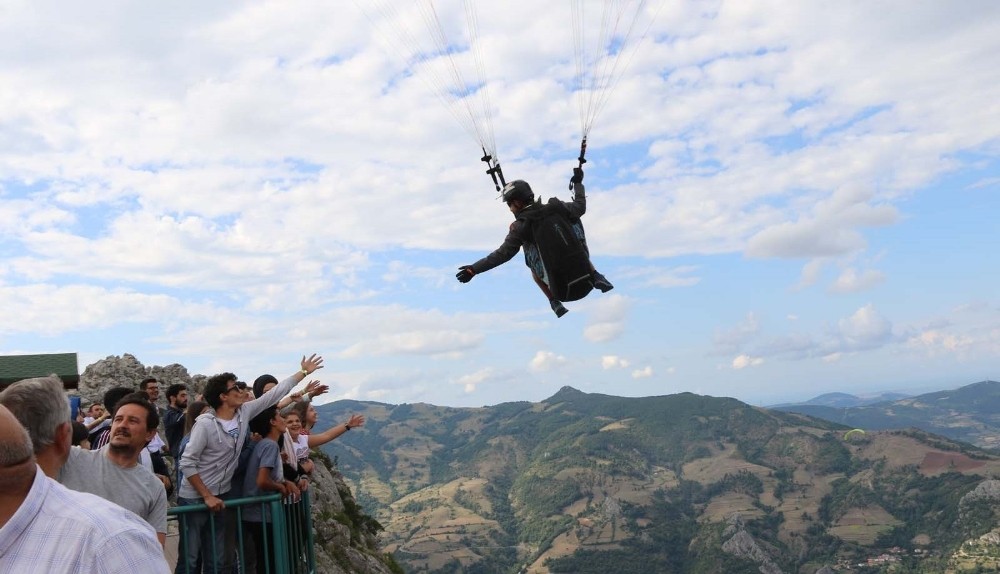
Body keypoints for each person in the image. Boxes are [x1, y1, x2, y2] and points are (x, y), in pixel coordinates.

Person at [176, 354, 324, 574]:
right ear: (223, 396)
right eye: (235, 387)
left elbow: (275, 394)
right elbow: (187, 462)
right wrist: (206, 496)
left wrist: (302, 373)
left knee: (219, 559)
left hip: (222, 495)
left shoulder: (243, 413)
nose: (241, 390)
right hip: (194, 497)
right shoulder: (205, 424)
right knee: (190, 558)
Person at [0, 403, 169, 574]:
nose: (122, 425)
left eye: (132, 421)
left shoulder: (154, 487)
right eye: (118, 419)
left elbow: (154, 548)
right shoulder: (71, 458)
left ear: (150, 433)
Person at [456, 167, 613, 317]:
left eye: (510, 204)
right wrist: (578, 183)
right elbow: (580, 206)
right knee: (571, 221)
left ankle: (553, 301)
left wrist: (474, 269)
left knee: (528, 248)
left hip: (561, 290)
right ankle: (596, 275)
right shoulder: (557, 207)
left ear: (518, 203)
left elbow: (503, 254)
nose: (510, 209)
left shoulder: (520, 227)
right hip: (585, 277)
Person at [243, 406, 307, 574]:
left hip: (254, 514)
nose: (283, 420)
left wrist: (285, 482)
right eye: (279, 416)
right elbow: (262, 480)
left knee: (263, 561)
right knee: (268, 563)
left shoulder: (264, 444)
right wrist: (281, 487)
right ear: (272, 422)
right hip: (260, 514)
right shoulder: (270, 446)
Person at [164, 383, 188, 456]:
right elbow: (179, 419)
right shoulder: (169, 414)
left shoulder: (181, 413)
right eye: (182, 396)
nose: (186, 398)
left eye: (186, 395)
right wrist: (195, 407)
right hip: (179, 454)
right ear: (173, 398)